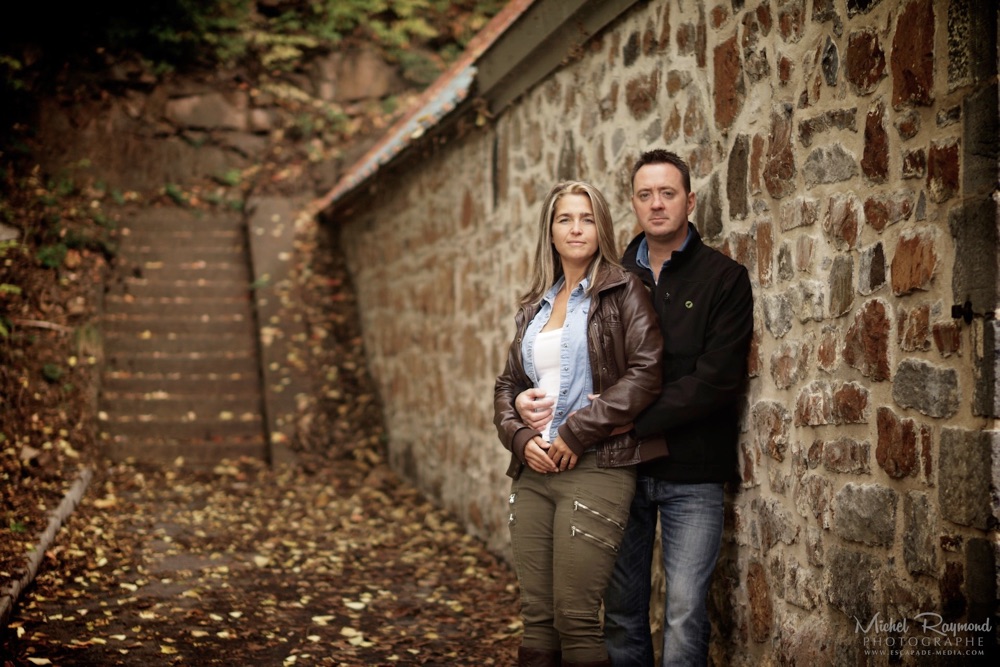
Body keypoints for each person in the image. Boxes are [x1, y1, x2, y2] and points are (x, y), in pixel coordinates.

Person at [515, 150, 754, 666]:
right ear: (632, 205)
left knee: (685, 610)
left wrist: (622, 419)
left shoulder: (724, 278)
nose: (657, 204)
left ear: (689, 201)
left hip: (692, 470)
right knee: (622, 613)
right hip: (620, 467)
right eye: (645, 195)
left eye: (668, 193)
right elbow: (561, 369)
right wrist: (524, 403)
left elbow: (715, 382)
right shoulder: (612, 278)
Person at [494, 180, 667, 667]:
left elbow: (647, 372)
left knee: (575, 616)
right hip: (533, 471)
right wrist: (520, 434)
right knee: (538, 616)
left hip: (596, 468)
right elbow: (506, 387)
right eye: (565, 219)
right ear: (550, 231)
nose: (576, 228)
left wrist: (578, 428)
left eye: (587, 218)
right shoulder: (536, 306)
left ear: (602, 227)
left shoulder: (624, 288)